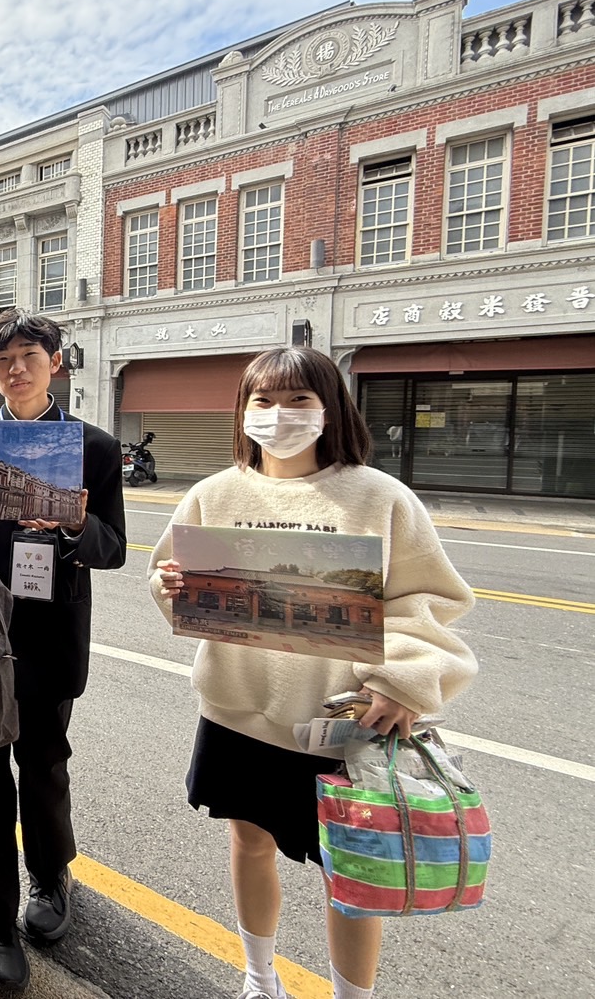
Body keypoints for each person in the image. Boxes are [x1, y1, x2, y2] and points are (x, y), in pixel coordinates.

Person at [149, 346, 477, 999]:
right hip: (236, 710)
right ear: (242, 413)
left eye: (298, 399)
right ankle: (258, 975)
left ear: (330, 409)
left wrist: (404, 680)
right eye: (262, 401)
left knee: (350, 870)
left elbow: (424, 602)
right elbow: (167, 579)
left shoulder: (378, 498)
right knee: (247, 843)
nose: (278, 415)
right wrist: (172, 587)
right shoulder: (214, 493)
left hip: (340, 719)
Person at [0, 308, 126, 992]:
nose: (15, 367)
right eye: (2, 359)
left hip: (52, 632)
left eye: (28, 355)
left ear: (54, 362)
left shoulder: (94, 448)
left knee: (44, 765)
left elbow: (113, 549)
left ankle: (51, 877)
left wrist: (76, 524)